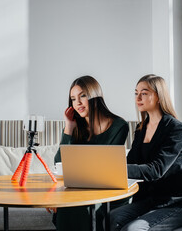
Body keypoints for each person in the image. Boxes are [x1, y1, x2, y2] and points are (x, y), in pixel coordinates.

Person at [110, 74, 182, 231]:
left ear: (158, 96)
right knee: (111, 218)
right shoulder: (141, 128)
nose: (138, 97)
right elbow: (130, 163)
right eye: (136, 93)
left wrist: (115, 168)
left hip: (176, 203)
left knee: (132, 229)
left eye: (144, 93)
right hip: (150, 200)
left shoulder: (176, 129)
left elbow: (156, 170)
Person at [47, 75, 129, 231]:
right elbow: (60, 163)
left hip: (106, 191)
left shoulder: (119, 126)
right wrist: (69, 127)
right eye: (73, 99)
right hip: (79, 190)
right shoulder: (75, 127)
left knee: (79, 207)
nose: (77, 103)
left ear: (94, 95)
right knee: (67, 206)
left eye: (82, 96)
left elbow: (105, 168)